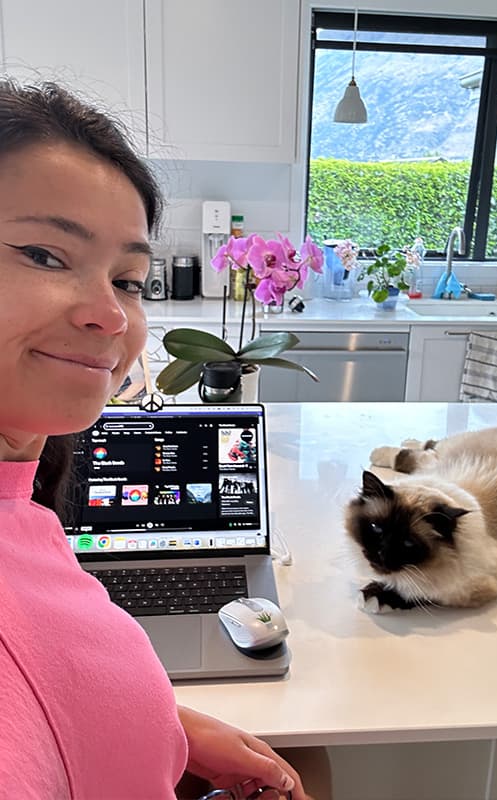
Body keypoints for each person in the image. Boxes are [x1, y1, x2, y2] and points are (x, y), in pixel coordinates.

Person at [0, 80, 330, 800]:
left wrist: (161, 724)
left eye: (129, 278)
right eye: (46, 256)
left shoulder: (22, 499)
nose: (111, 316)